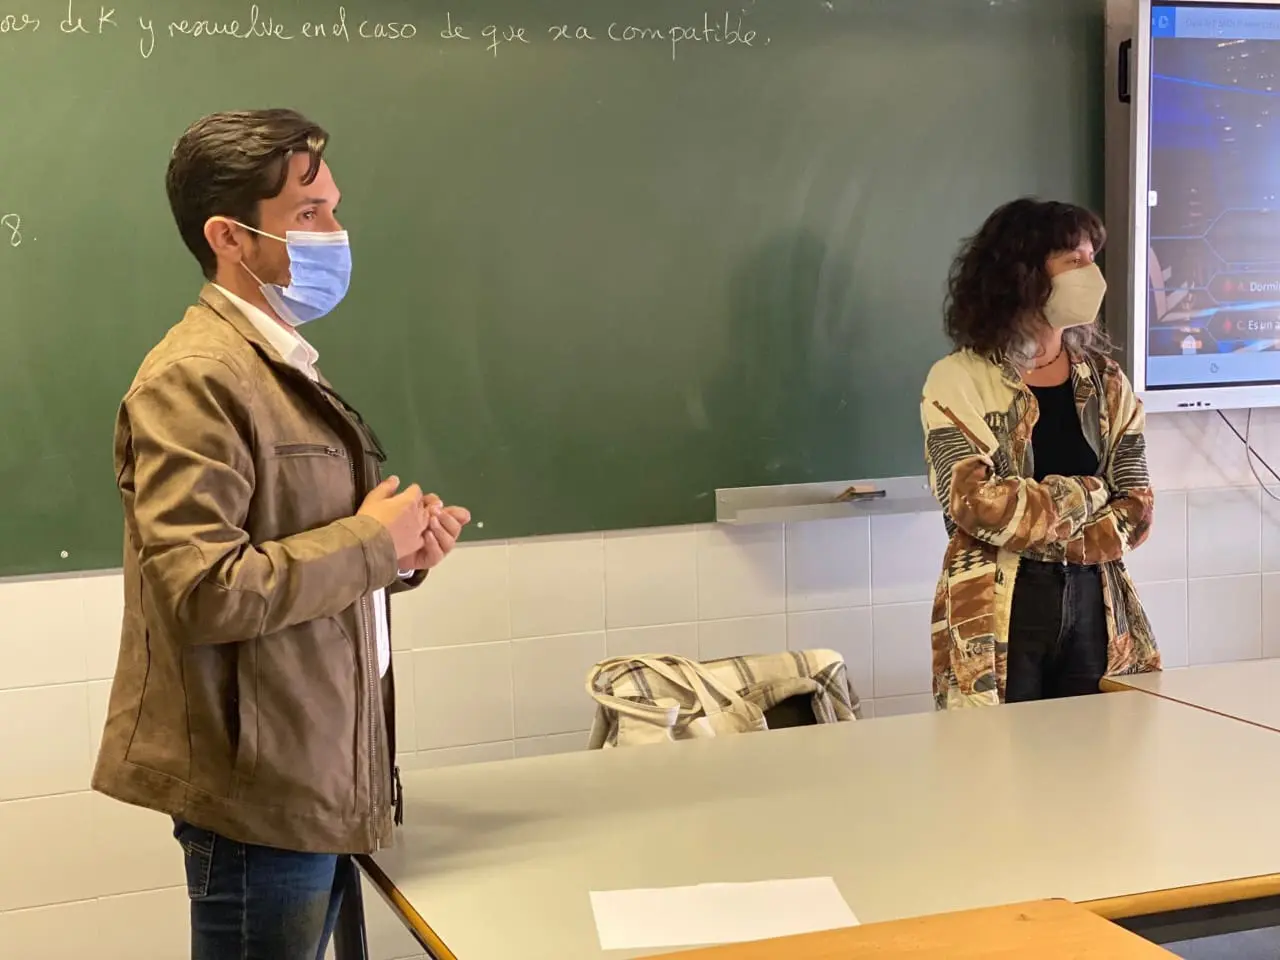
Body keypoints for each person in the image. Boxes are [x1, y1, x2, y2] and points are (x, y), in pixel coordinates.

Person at [91, 109, 471, 959]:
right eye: (309, 213)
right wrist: (370, 544)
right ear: (229, 236)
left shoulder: (277, 363)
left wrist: (396, 555)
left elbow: (293, 546)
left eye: (333, 207)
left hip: (313, 769)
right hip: (258, 793)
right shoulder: (197, 377)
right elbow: (203, 591)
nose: (336, 231)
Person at [920, 198, 1160, 708]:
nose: (1091, 273)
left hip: (1096, 600)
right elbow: (974, 504)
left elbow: (1137, 508)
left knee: (1100, 746)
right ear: (1024, 273)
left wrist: (1045, 518)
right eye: (1074, 260)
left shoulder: (1107, 381)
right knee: (999, 753)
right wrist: (1088, 493)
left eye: (1092, 257)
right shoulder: (958, 379)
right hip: (998, 607)